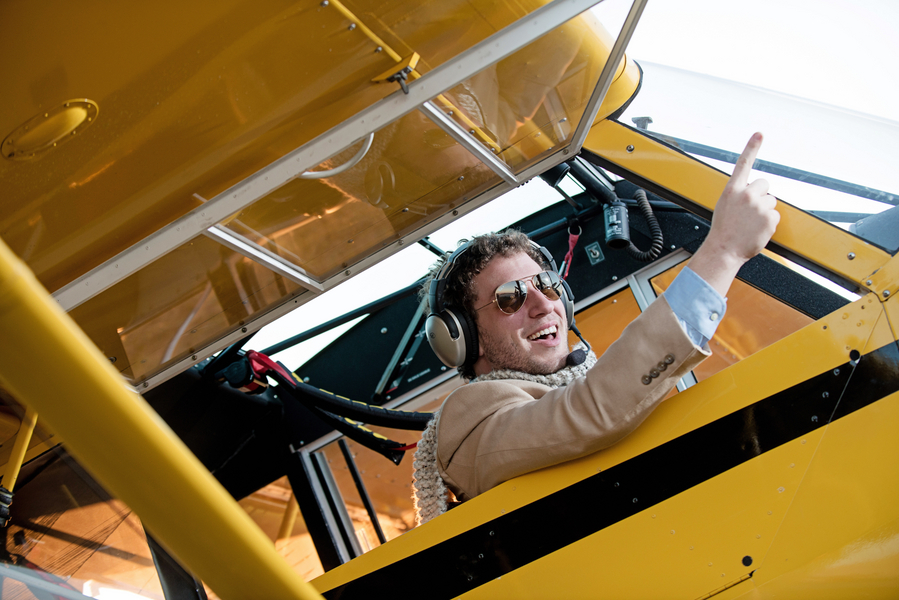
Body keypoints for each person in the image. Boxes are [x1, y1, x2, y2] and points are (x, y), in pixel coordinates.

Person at [412, 133, 780, 525]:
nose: (543, 305)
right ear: (461, 337)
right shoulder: (467, 421)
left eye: (547, 284)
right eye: (510, 297)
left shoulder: (578, 387)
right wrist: (723, 250)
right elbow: (590, 411)